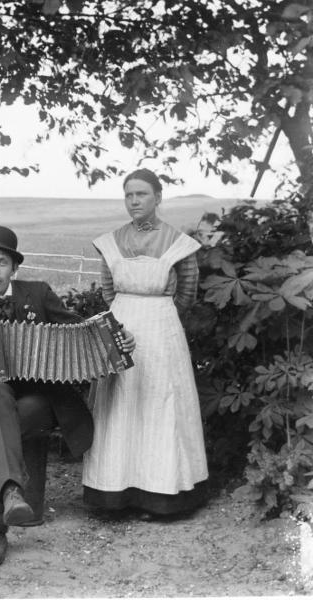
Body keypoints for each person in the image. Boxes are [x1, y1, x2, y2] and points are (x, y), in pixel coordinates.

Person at [0, 224, 135, 568]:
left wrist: (117, 340)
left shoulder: (37, 294)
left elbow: (82, 332)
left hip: (42, 404)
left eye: (2, 263)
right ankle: (10, 494)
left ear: (14, 268)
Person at [82, 168, 209, 520]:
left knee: (160, 403)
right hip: (121, 323)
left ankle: (162, 496)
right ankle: (114, 495)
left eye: (141, 194)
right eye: (129, 195)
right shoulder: (111, 241)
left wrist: (160, 316)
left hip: (162, 329)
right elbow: (109, 290)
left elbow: (187, 291)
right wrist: (126, 315)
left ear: (158, 197)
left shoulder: (178, 242)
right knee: (120, 403)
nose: (134, 201)